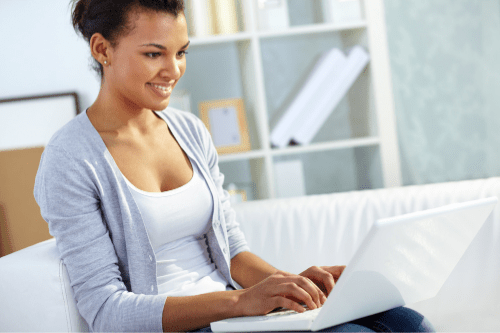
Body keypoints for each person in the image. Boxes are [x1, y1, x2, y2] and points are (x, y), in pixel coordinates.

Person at [34, 0, 435, 332]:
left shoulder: (188, 130)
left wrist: (294, 288)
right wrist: (241, 302)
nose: (173, 70)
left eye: (181, 52)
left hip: (237, 315)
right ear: (102, 49)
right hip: (195, 323)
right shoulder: (70, 160)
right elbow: (107, 312)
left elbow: (234, 253)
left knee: (408, 323)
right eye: (154, 54)